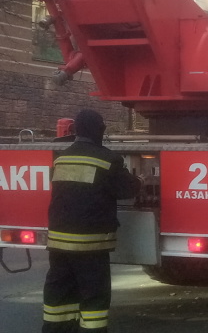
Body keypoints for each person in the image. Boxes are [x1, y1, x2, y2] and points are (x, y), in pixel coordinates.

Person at [43, 109, 139, 333]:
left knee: (59, 294)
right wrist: (140, 180)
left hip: (58, 242)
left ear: (75, 130)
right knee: (94, 296)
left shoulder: (62, 158)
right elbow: (126, 189)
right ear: (100, 130)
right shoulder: (108, 160)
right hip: (90, 244)